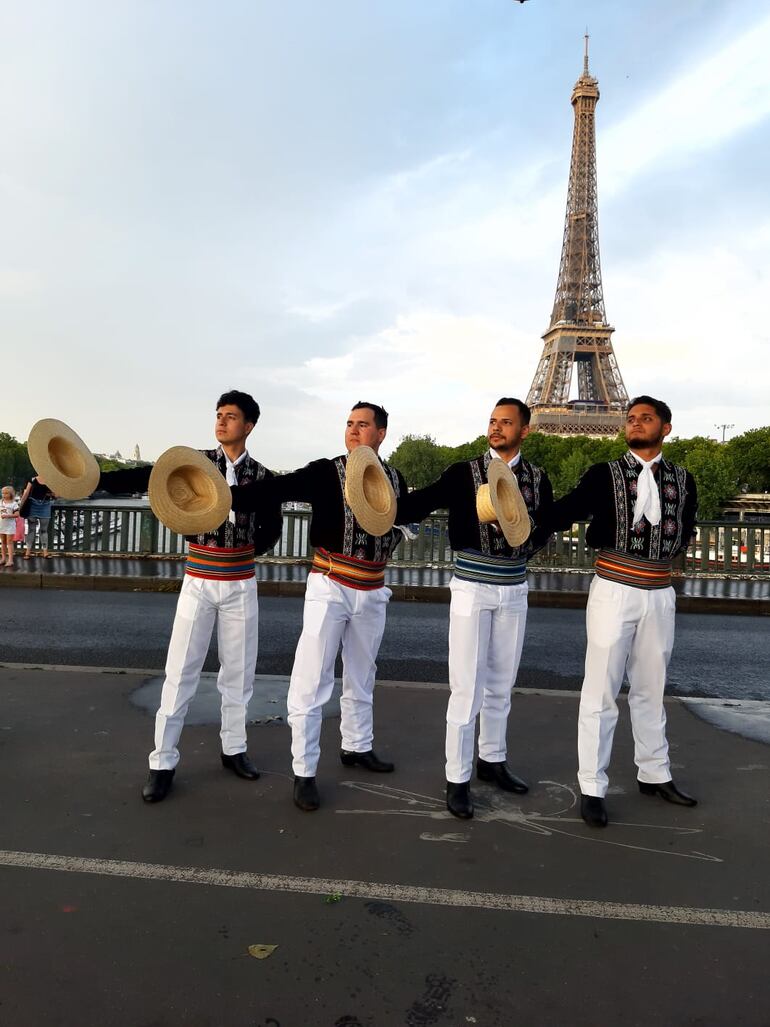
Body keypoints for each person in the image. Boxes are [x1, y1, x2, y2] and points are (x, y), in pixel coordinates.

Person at [100, 390, 283, 803]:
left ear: (249, 425)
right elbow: (145, 476)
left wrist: (243, 544)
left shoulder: (265, 477)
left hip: (240, 581)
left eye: (230, 416)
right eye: (218, 414)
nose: (221, 421)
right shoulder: (195, 464)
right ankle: (162, 761)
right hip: (199, 579)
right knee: (180, 671)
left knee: (239, 673)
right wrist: (93, 480)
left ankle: (234, 749)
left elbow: (272, 530)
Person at [231, 402, 408, 812]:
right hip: (331, 584)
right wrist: (227, 496)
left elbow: (402, 521)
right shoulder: (327, 472)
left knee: (362, 674)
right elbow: (277, 488)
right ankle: (304, 770)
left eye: (362, 425)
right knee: (312, 679)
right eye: (349, 424)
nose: (353, 431)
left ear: (381, 434)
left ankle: (357, 745)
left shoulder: (395, 479)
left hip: (373, 588)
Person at [542, 396, 698, 828]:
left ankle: (655, 773)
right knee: (601, 691)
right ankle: (593, 786)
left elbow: (686, 526)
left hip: (660, 591)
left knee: (651, 688)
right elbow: (565, 511)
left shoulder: (683, 480)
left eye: (646, 418)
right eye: (630, 419)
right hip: (614, 588)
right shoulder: (603, 474)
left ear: (666, 428)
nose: (635, 424)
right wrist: (520, 516)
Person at [401, 398, 553, 819]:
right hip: (472, 586)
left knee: (502, 683)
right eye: (492, 421)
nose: (496, 428)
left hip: (514, 587)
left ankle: (492, 759)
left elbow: (545, 526)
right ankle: (457, 777)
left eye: (506, 422)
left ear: (525, 430)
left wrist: (526, 538)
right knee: (467, 686)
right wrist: (380, 506)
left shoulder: (538, 478)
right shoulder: (462, 473)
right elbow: (423, 502)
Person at [19, 475, 55, 559]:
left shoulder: (50, 480)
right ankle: (28, 551)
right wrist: (21, 506)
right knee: (32, 529)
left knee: (43, 530)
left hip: (44, 505)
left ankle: (44, 552)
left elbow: (56, 496)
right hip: (34, 505)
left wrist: (51, 494)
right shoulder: (33, 479)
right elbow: (26, 493)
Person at [1, 485, 20, 567]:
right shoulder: (0, 502)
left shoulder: (14, 504)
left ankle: (10, 560)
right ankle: (3, 558)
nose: (4, 495)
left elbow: (17, 514)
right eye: (3, 493)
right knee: (3, 542)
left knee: (9, 542)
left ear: (11, 494)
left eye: (6, 493)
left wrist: (7, 516)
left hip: (10, 526)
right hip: (1, 525)